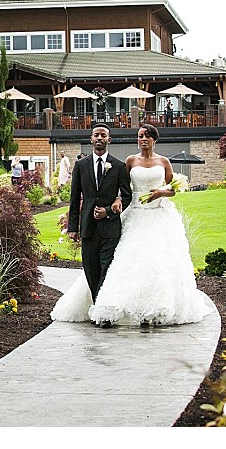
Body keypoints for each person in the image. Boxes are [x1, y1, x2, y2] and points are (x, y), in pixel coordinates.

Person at [52, 125, 213, 328]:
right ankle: (105, 304)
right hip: (135, 214)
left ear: (155, 140)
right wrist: (116, 202)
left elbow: (173, 188)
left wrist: (160, 193)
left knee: (155, 263)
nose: (143, 139)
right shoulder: (129, 161)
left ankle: (151, 309)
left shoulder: (163, 161)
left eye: (147, 136)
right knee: (125, 262)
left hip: (158, 216)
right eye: (140, 136)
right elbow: (122, 188)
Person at [53, 126, 131, 322]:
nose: (99, 138)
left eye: (103, 135)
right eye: (96, 135)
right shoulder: (81, 165)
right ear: (91, 139)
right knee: (91, 269)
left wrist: (109, 210)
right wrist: (72, 227)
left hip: (110, 228)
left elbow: (127, 197)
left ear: (109, 140)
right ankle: (98, 305)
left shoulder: (119, 166)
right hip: (87, 227)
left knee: (107, 268)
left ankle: (103, 314)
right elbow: (74, 198)